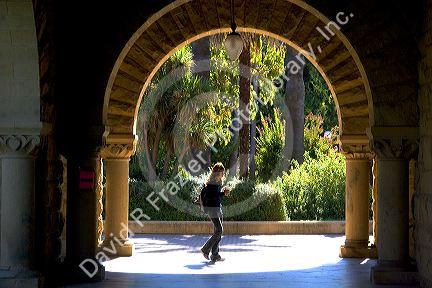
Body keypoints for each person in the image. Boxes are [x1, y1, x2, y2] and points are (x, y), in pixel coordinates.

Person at [200, 162, 231, 262]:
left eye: (223, 172)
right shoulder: (211, 183)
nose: (223, 174)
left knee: (218, 232)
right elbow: (212, 197)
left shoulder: (217, 182)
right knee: (219, 230)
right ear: (217, 172)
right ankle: (205, 249)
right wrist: (223, 193)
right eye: (222, 172)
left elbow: (216, 195)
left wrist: (222, 192)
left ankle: (215, 255)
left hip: (218, 208)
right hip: (212, 209)